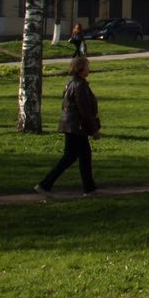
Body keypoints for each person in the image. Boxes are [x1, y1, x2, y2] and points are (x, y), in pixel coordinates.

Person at [35, 56, 101, 197]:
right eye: (87, 66)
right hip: (76, 127)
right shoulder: (80, 86)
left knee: (84, 157)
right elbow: (85, 110)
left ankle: (90, 189)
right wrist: (94, 129)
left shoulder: (72, 83)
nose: (89, 69)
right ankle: (45, 185)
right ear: (80, 68)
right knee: (70, 158)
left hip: (72, 126)